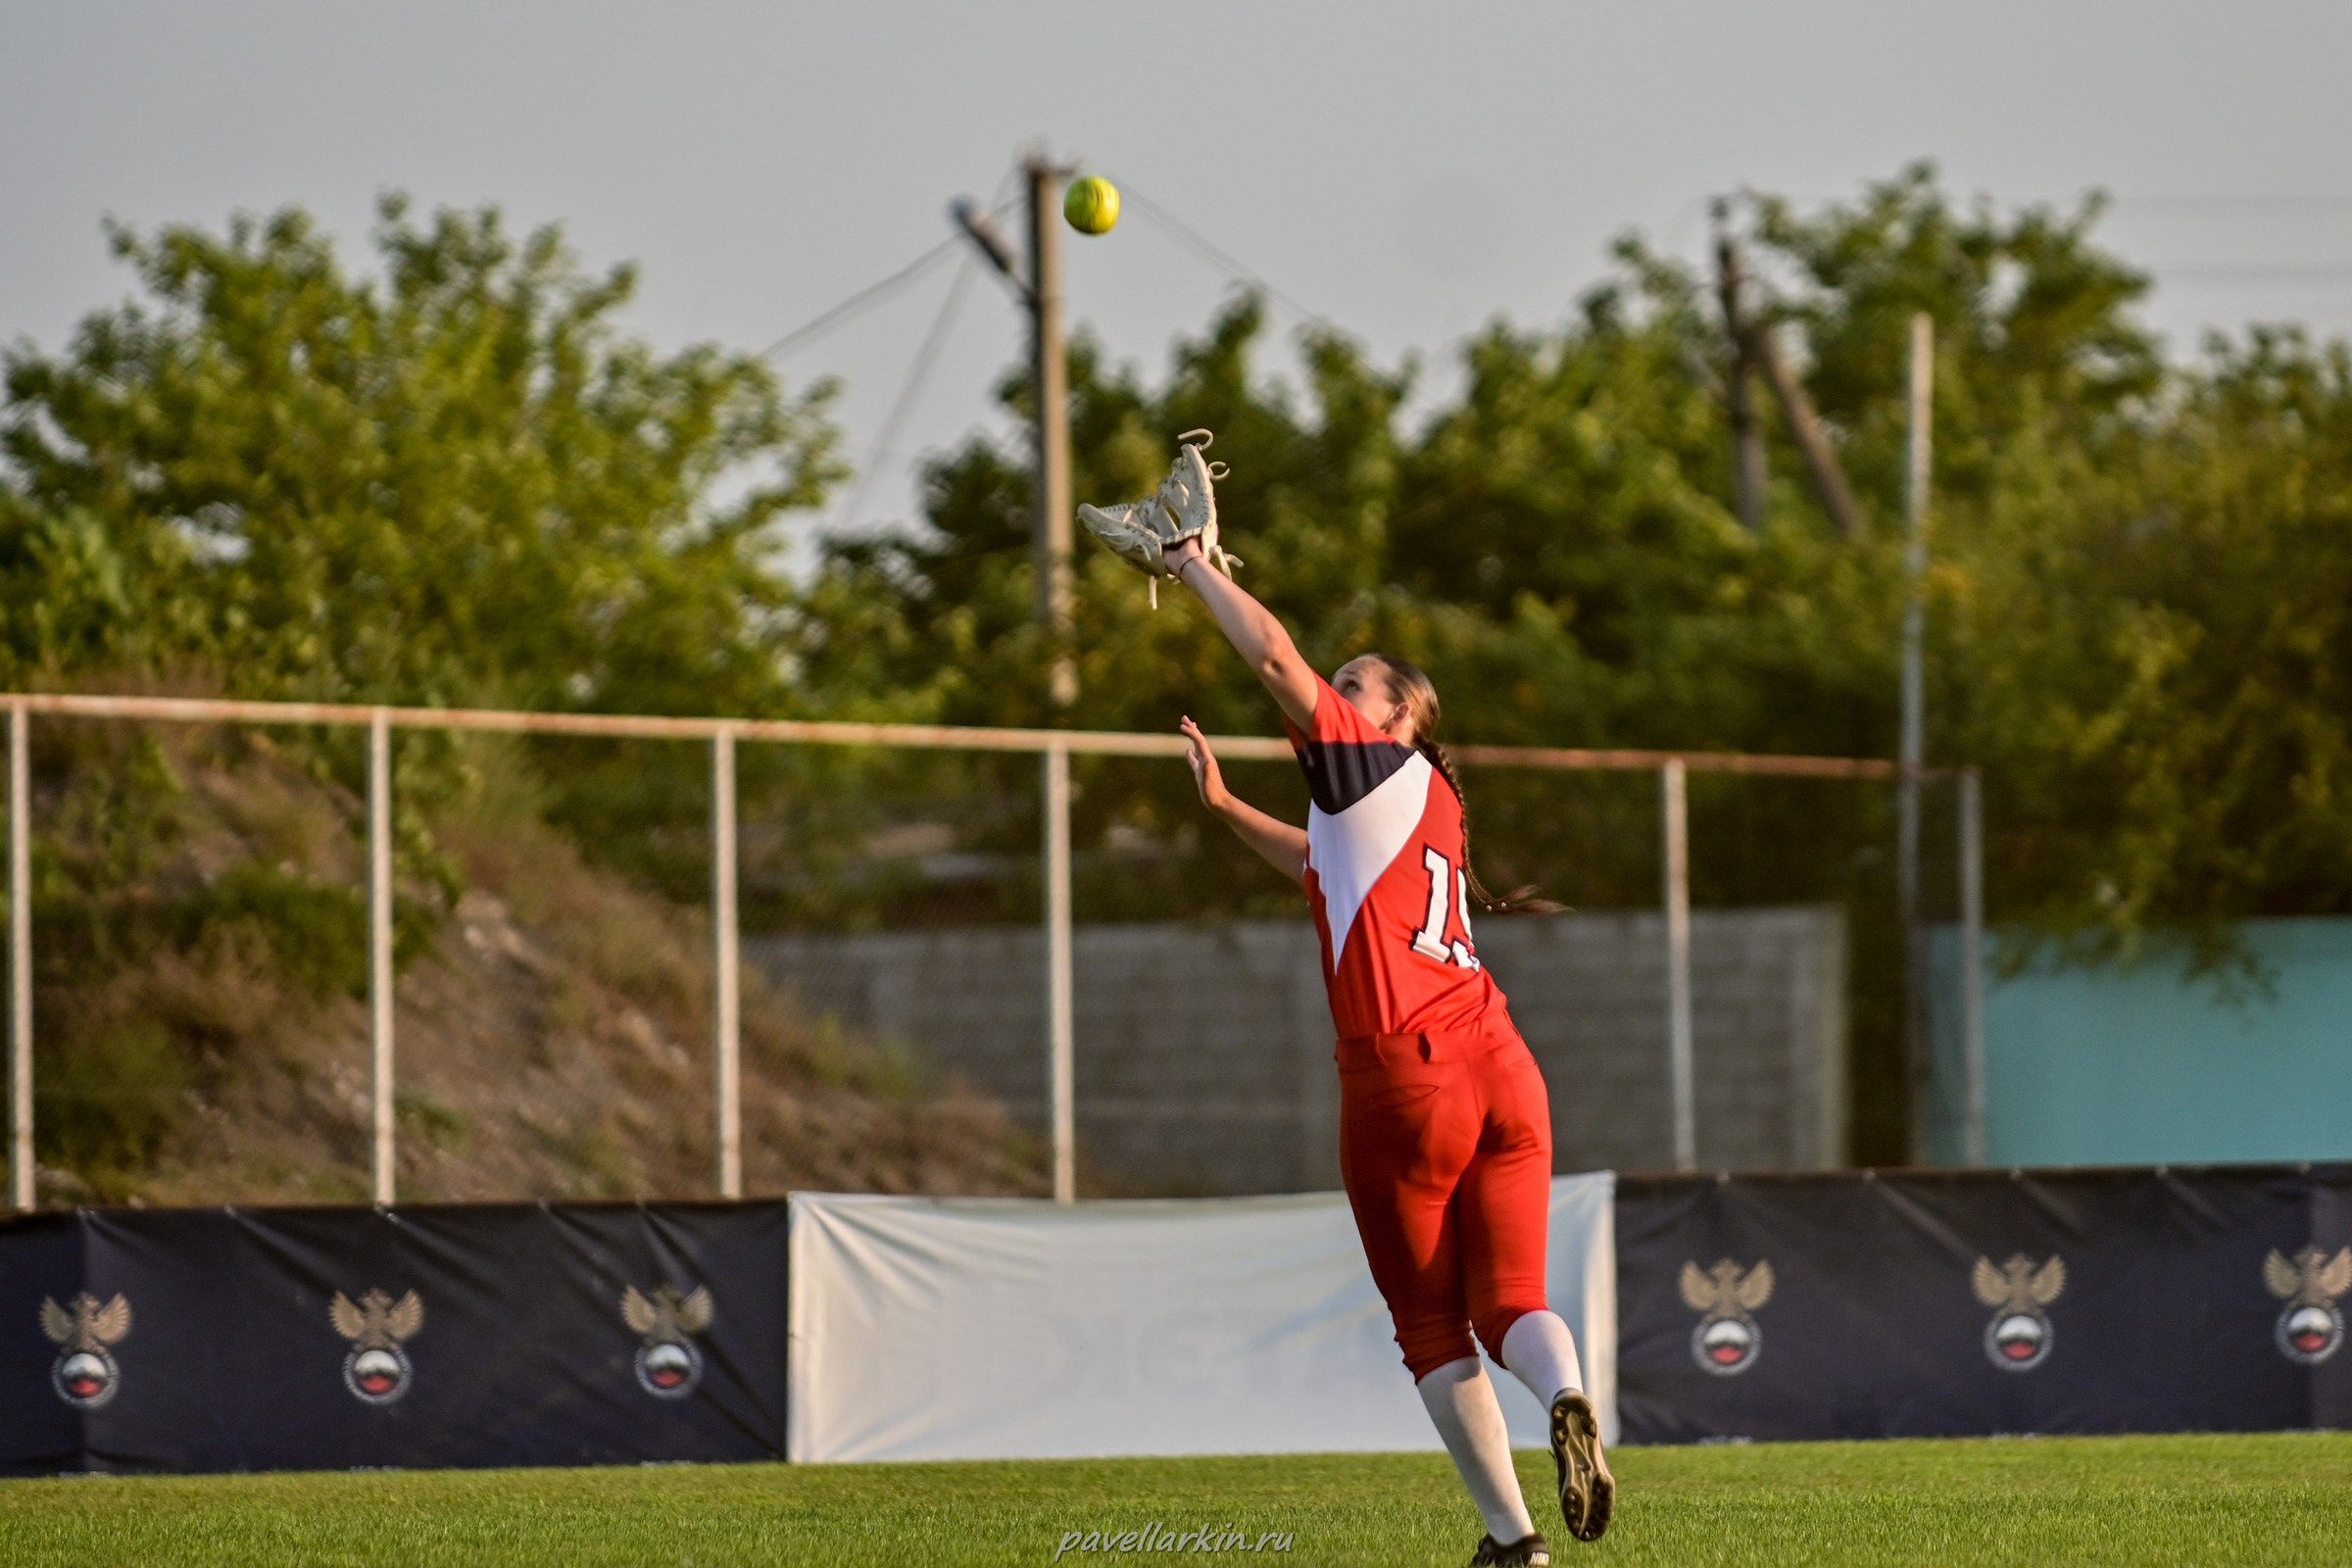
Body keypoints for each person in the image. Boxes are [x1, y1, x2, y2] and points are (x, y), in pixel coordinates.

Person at [1163, 530, 1613, 1565]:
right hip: (1502, 1060)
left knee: (1428, 1326)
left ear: (1399, 714)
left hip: (1406, 1078)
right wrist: (1227, 804)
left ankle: (1516, 1543)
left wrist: (1193, 566)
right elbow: (1315, 865)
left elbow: (1273, 659)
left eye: (1355, 683)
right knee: (1513, 1302)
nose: (1333, 687)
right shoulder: (1417, 804)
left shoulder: (1370, 767)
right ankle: (1570, 1393)